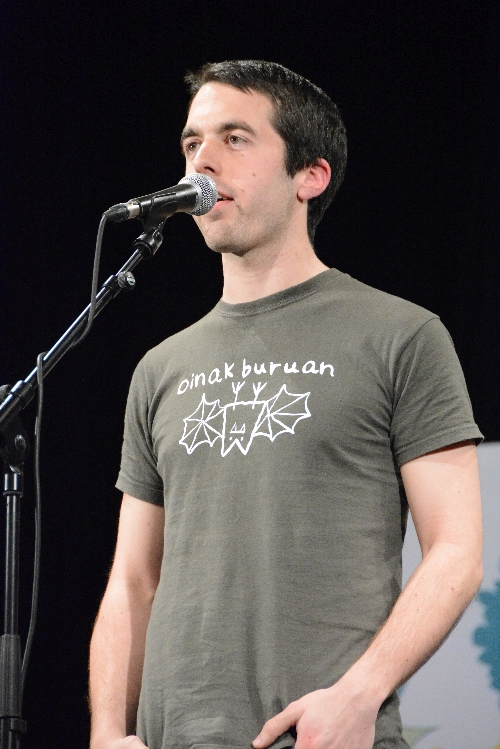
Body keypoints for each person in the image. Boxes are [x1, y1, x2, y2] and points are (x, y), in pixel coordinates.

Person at [88, 60, 483, 749]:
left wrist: (358, 695)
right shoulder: (160, 367)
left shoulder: (401, 335)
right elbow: (133, 580)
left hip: (318, 735)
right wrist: (104, 732)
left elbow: (456, 551)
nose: (202, 161)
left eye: (235, 138)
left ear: (311, 175)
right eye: (191, 142)